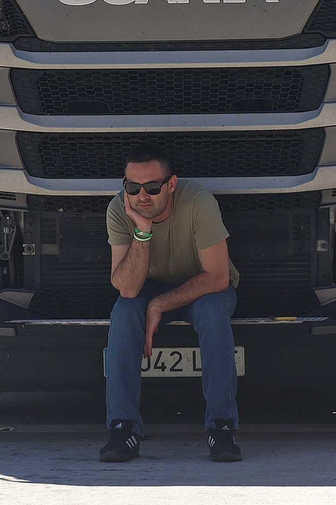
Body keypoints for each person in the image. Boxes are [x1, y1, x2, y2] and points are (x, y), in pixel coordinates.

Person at [99, 143, 242, 463]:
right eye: (132, 187)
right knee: (123, 314)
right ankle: (123, 429)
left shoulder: (198, 202)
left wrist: (159, 305)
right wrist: (143, 233)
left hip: (204, 286)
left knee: (213, 313)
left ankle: (222, 428)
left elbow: (218, 277)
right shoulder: (118, 210)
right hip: (148, 287)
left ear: (171, 184)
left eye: (151, 187)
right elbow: (125, 287)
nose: (141, 196)